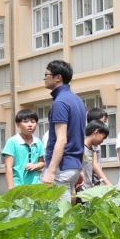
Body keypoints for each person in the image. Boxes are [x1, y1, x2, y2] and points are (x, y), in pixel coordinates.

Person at [39, 60, 86, 198]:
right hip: (73, 166)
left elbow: (62, 139)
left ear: (58, 77)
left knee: (59, 216)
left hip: (62, 167)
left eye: (46, 74)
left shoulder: (60, 102)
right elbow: (79, 136)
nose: (44, 77)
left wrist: (51, 171)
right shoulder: (77, 100)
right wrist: (79, 168)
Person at [2, 108, 46, 189]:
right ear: (18, 124)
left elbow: (42, 163)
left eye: (33, 122)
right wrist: (11, 188)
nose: (30, 125)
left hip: (35, 185)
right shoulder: (12, 142)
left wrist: (35, 166)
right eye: (26, 121)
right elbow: (8, 167)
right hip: (18, 185)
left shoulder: (38, 142)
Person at [82, 123, 112, 188]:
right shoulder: (81, 148)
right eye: (103, 138)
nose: (102, 141)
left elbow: (93, 164)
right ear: (96, 132)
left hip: (88, 188)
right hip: (80, 189)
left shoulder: (92, 150)